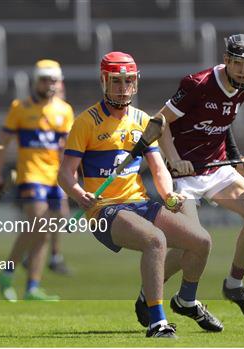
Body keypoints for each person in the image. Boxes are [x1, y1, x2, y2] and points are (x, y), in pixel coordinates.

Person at [58, 52, 222, 338]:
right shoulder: (86, 122)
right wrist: (79, 193)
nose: (123, 88)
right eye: (116, 82)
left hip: (140, 203)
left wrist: (169, 194)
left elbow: (158, 168)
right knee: (155, 240)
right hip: (104, 210)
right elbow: (65, 174)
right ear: (103, 81)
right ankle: (157, 322)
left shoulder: (143, 121)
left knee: (201, 241)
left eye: (128, 81)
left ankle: (186, 300)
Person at [135, 34, 244, 324]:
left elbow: (224, 124)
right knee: (191, 243)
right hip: (182, 174)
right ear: (227, 60)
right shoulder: (198, 84)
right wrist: (172, 159)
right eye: (239, 64)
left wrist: (240, 161)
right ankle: (150, 294)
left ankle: (233, 285)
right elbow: (159, 122)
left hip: (216, 167)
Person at [0, 59, 74, 301]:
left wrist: (72, 178)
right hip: (31, 174)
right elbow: (1, 146)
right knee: (37, 223)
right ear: (36, 81)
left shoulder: (64, 110)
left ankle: (32, 287)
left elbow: (67, 150)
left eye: (54, 80)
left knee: (45, 232)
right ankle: (7, 272)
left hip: (55, 177)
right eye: (45, 80)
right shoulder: (19, 108)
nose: (50, 85)